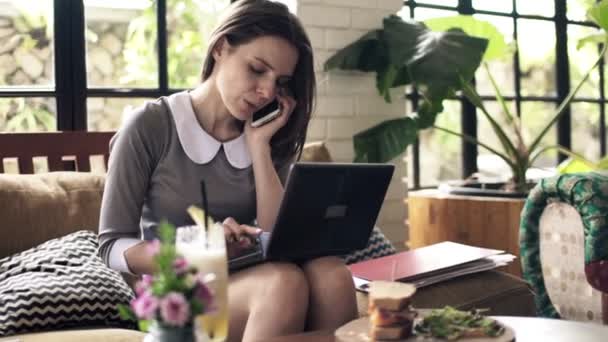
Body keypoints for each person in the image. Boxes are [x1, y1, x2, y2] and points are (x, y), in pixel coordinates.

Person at [97, 0, 357, 341]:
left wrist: (259, 147)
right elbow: (112, 246)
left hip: (251, 275)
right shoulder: (150, 126)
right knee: (282, 283)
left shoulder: (266, 133)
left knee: (334, 276)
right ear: (221, 48)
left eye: (280, 82)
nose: (266, 91)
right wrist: (202, 249)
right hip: (179, 294)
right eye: (257, 69)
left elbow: (276, 237)